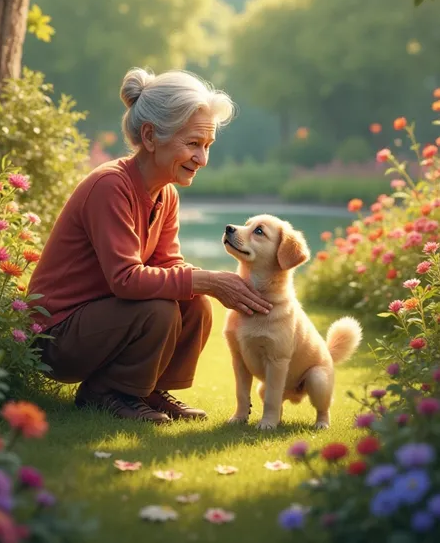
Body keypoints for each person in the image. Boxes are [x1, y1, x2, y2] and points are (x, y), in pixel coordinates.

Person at [29, 68, 272, 423]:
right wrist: (206, 279)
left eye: (207, 146)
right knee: (160, 309)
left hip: (100, 321)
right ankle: (107, 393)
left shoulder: (166, 192)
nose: (202, 159)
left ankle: (146, 390)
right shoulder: (111, 186)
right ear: (150, 136)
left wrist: (213, 284)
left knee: (195, 304)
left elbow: (168, 264)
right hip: (56, 337)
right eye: (192, 144)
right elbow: (125, 280)